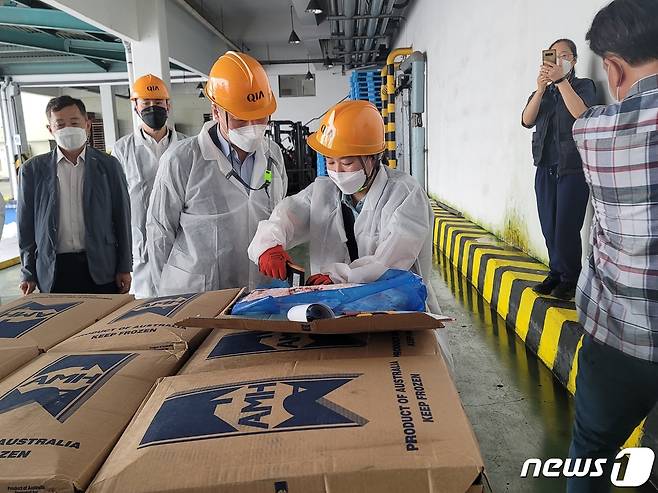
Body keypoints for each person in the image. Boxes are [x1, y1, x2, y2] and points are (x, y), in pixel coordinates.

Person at [567, 1, 658, 491]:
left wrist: (558, 82)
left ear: (614, 68)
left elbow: (585, 119)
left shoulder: (593, 132)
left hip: (618, 337)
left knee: (592, 454)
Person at [248, 100, 441, 313]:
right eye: (330, 161)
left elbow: (390, 262)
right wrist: (269, 244)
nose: (337, 171)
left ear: (372, 158)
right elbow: (287, 214)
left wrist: (337, 276)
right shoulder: (322, 192)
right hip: (334, 310)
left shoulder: (404, 194)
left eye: (347, 163)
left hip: (398, 310)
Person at [146, 51, 287, 295]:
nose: (253, 128)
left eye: (260, 117)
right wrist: (164, 299)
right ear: (216, 111)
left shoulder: (273, 154)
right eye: (241, 119)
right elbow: (159, 233)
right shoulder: (182, 159)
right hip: (199, 292)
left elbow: (279, 213)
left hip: (260, 289)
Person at [17, 95, 132, 295]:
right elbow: (25, 226)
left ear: (87, 124)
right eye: (60, 124)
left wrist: (124, 266)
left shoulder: (108, 166)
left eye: (74, 122)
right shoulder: (32, 170)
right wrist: (28, 272)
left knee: (103, 324)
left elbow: (122, 217)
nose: (67, 128)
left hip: (101, 266)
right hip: (54, 270)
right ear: (50, 129)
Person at [522, 38, 597, 300]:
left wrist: (561, 81)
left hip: (572, 169)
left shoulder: (583, 86)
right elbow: (526, 120)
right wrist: (541, 89)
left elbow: (583, 115)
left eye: (565, 55)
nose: (559, 59)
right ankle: (555, 273)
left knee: (566, 227)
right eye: (554, 55)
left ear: (574, 61)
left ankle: (570, 277)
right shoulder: (543, 93)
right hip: (545, 167)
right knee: (549, 226)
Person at [113, 74, 186, 298]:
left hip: (181, 242)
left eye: (158, 103)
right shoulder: (122, 150)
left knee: (182, 303)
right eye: (146, 103)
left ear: (168, 105)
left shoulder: (187, 145)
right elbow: (117, 204)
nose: (153, 108)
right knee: (145, 308)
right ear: (135, 106)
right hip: (140, 247)